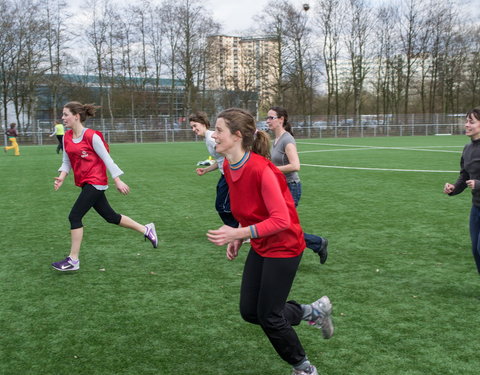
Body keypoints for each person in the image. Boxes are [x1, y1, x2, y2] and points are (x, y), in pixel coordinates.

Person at [207, 108, 333, 375]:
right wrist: (240, 235)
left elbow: (281, 221)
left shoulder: (263, 170)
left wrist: (237, 234)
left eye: (219, 130)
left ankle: (305, 368)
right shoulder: (229, 165)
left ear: (237, 135)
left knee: (270, 316)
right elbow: (249, 208)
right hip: (262, 245)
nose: (214, 135)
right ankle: (312, 312)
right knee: (251, 312)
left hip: (285, 247)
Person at [51, 101, 158, 272]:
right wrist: (62, 177)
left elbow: (108, 159)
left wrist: (117, 180)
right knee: (110, 216)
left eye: (65, 114)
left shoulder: (92, 136)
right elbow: (66, 161)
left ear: (76, 116)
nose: (62, 118)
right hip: (85, 183)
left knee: (75, 216)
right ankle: (146, 229)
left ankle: (73, 260)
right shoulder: (66, 137)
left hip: (96, 181)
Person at [267, 106, 328, 264]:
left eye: (271, 118)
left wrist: (272, 170)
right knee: (280, 224)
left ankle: (317, 243)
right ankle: (310, 246)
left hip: (291, 187)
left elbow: (295, 165)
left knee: (283, 225)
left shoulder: (287, 139)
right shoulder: (276, 140)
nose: (267, 121)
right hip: (281, 187)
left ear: (281, 119)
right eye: (267, 118)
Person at [444, 107, 480, 275]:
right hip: (476, 208)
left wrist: (478, 184)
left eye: (471, 122)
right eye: (466, 121)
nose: (467, 125)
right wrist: (453, 188)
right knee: (476, 251)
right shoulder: (467, 149)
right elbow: (464, 175)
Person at [189, 111, 238, 228]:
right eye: (192, 127)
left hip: (229, 175)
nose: (193, 129)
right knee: (224, 205)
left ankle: (238, 230)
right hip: (224, 175)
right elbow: (220, 160)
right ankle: (237, 229)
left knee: (222, 206)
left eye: (195, 125)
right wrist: (206, 170)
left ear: (203, 123)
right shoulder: (208, 138)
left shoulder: (211, 139)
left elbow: (230, 154)